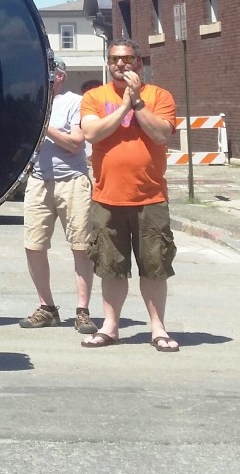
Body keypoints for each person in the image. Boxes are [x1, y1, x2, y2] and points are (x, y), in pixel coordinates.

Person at [79, 39, 179, 351]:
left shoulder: (158, 96)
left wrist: (136, 103)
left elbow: (161, 133)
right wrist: (123, 105)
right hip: (107, 198)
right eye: (114, 59)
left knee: (154, 266)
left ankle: (158, 329)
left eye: (127, 59)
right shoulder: (95, 96)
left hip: (150, 198)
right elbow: (91, 133)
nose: (120, 64)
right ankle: (111, 328)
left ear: (139, 63)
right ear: (108, 63)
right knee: (110, 267)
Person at [19, 58, 97, 335]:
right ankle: (46, 307)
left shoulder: (75, 102)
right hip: (39, 181)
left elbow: (76, 143)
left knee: (80, 246)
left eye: (49, 75)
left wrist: (43, 126)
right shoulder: (31, 101)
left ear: (60, 76)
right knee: (34, 245)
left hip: (73, 181)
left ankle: (83, 311)